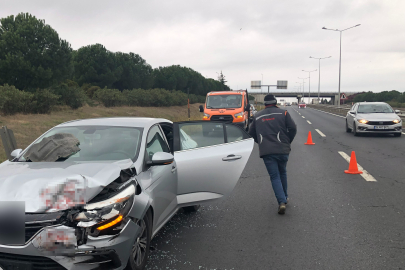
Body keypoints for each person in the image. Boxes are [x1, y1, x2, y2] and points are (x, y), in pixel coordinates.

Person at [248, 95, 297, 215]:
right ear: (275, 102)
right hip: (283, 149)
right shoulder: (283, 113)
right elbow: (293, 128)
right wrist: (287, 141)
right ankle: (284, 198)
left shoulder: (257, 116)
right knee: (283, 172)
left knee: (274, 176)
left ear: (265, 104)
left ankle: (281, 202)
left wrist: (261, 142)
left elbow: (251, 132)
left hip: (267, 151)